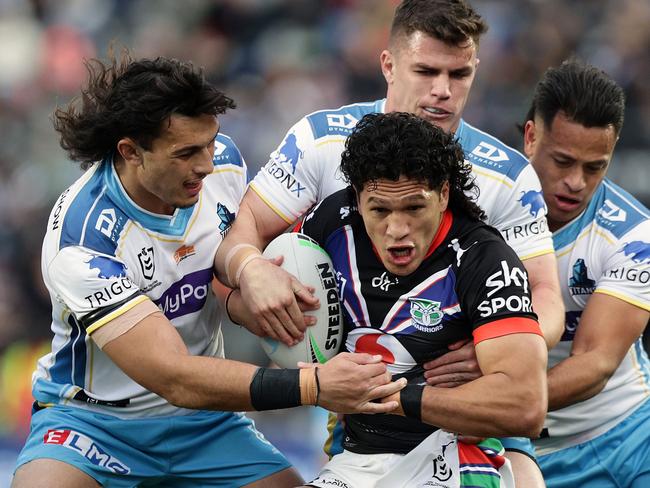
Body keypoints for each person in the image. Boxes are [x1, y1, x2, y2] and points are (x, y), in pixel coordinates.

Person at [11, 52, 406, 488]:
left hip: (203, 424)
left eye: (211, 142)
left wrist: (249, 279)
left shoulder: (222, 166)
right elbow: (173, 376)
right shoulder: (83, 239)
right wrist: (312, 385)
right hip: (94, 423)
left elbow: (214, 274)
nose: (207, 164)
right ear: (130, 151)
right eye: (186, 152)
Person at [214, 0, 563, 483]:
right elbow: (241, 235)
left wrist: (497, 344)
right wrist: (251, 279)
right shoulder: (321, 142)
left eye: (459, 74)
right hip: (361, 409)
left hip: (468, 398)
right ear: (388, 65)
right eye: (426, 70)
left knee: (524, 478)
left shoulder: (506, 176)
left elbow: (544, 294)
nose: (443, 91)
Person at [288, 111, 547, 487]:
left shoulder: (484, 258)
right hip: (359, 457)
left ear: (443, 194)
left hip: (455, 454)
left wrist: (395, 398)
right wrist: (253, 274)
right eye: (380, 210)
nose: (397, 230)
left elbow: (527, 407)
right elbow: (264, 302)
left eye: (414, 207)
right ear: (358, 199)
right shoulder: (331, 224)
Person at [522, 59, 650, 487]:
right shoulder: (479, 208)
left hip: (631, 436)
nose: (575, 182)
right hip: (526, 454)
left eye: (595, 167)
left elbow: (595, 364)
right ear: (530, 137)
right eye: (563, 161)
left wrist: (500, 404)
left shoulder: (634, 236)